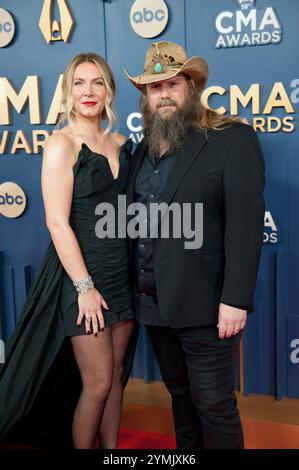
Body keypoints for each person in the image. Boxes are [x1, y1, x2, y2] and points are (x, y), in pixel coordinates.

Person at [125, 41, 265, 449]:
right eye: (154, 88)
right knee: (181, 400)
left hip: (208, 307)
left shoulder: (232, 139)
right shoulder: (141, 150)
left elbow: (246, 225)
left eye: (172, 84)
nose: (163, 93)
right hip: (154, 304)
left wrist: (235, 299)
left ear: (191, 87)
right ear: (146, 98)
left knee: (214, 404)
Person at [0, 53, 135, 449]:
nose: (88, 91)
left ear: (108, 89)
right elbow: (57, 223)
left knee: (117, 372)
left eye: (96, 82)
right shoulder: (60, 144)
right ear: (68, 91)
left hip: (122, 277)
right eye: (79, 83)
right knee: (97, 383)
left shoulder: (122, 143)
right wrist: (84, 287)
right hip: (83, 283)